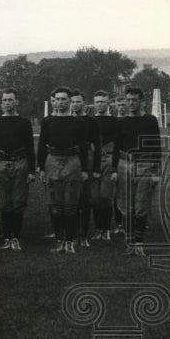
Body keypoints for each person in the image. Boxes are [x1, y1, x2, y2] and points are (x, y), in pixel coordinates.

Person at [37, 86, 90, 254]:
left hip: (72, 162)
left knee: (71, 205)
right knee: (55, 205)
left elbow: (83, 147)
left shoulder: (78, 122)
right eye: (57, 99)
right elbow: (42, 145)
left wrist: (85, 169)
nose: (60, 102)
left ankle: (70, 240)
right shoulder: (47, 121)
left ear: (69, 101)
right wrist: (40, 167)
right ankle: (59, 240)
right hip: (52, 161)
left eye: (64, 99)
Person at [111, 86, 162, 257]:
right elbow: (117, 147)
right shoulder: (121, 122)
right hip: (124, 164)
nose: (131, 103)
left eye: (134, 99)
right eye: (128, 100)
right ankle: (130, 242)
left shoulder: (150, 120)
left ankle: (139, 242)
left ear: (141, 101)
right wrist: (114, 170)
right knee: (126, 206)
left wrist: (156, 171)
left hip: (145, 164)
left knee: (141, 205)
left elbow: (156, 146)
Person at [0, 88, 36, 251]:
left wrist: (31, 171)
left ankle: (16, 237)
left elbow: (30, 147)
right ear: (1, 103)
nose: (7, 103)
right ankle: (7, 237)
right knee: (4, 203)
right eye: (5, 100)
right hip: (0, 164)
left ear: (17, 102)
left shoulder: (24, 123)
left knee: (18, 202)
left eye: (10, 100)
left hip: (20, 163)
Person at [70, 88, 101, 247]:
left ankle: (84, 235)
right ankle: (74, 234)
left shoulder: (92, 121)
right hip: (70, 159)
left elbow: (98, 145)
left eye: (78, 102)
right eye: (73, 102)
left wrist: (96, 168)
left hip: (87, 159)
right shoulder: (67, 120)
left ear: (84, 103)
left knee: (86, 198)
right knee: (72, 198)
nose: (75, 105)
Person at [91, 90, 118, 241]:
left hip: (108, 160)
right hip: (93, 163)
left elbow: (118, 141)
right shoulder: (90, 120)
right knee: (94, 197)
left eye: (102, 101)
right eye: (97, 102)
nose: (99, 104)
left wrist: (106, 149)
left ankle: (106, 229)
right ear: (93, 103)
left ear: (108, 103)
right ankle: (97, 229)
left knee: (106, 196)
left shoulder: (114, 121)